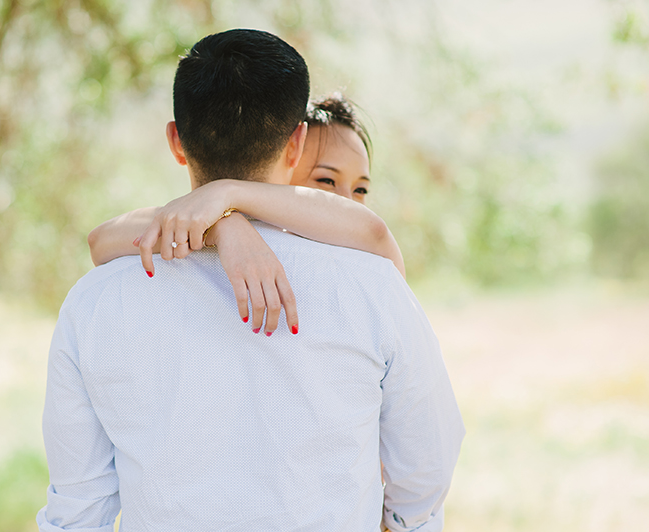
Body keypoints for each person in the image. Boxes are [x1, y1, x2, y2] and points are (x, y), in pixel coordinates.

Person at [37, 28, 465, 532]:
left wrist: (222, 218)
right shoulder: (372, 287)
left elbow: (78, 509)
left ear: (176, 140)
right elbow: (426, 468)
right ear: (296, 144)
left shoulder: (95, 302)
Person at [87, 94, 405, 335]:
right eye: (325, 181)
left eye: (361, 189)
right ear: (288, 160)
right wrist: (224, 226)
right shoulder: (254, 233)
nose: (347, 201)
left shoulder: (370, 261)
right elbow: (101, 239)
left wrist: (227, 193)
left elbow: (374, 232)